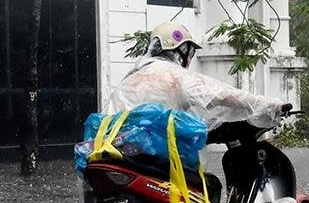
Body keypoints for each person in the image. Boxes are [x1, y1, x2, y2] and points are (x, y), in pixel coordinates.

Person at [107, 21, 287, 129]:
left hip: (114, 150)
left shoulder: (132, 77)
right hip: (148, 155)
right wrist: (268, 105)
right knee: (210, 184)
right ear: (182, 50)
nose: (191, 57)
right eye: (190, 51)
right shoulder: (175, 77)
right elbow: (221, 95)